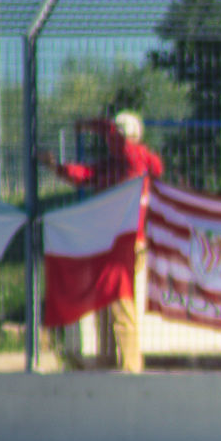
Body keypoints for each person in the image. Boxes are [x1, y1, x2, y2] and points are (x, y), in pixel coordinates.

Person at [39, 111, 163, 373]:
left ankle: (131, 366)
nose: (112, 140)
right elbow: (84, 174)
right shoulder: (112, 165)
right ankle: (108, 357)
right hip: (108, 243)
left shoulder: (137, 160)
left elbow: (125, 147)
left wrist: (92, 125)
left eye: (118, 134)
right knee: (105, 299)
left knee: (120, 301)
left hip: (129, 243)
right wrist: (55, 167)